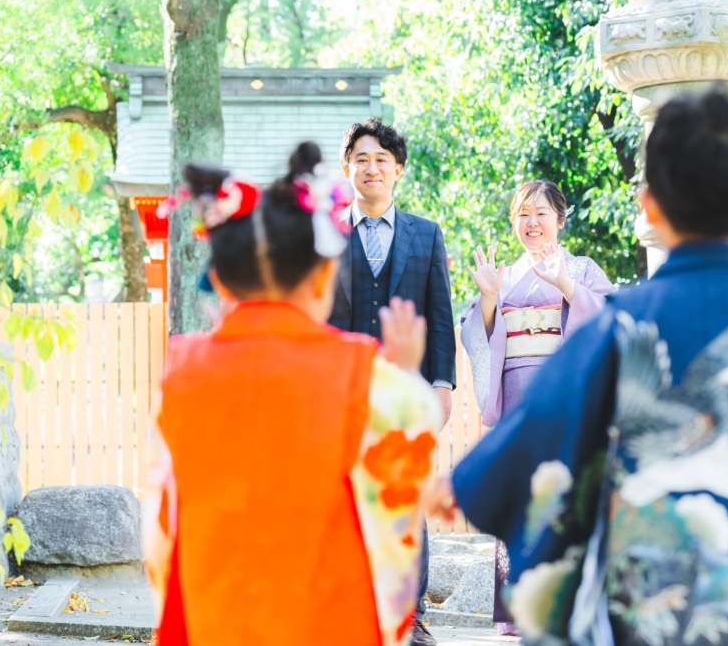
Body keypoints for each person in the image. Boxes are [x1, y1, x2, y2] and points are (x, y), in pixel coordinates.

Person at [429, 89, 728, 646]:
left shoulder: (615, 330)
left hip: (654, 620)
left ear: (648, 206)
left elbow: (511, 465)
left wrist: (462, 484)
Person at [142, 144, 443, 646]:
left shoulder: (181, 372)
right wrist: (409, 374)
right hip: (328, 617)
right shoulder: (367, 374)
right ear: (325, 275)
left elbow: (163, 522)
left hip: (217, 613)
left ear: (218, 278)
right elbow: (398, 500)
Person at [460, 180, 614, 634]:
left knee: (568, 491)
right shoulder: (503, 275)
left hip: (565, 393)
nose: (531, 223)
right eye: (523, 214)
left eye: (541, 213)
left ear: (560, 220)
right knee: (520, 496)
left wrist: (563, 282)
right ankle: (517, 611)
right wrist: (489, 299)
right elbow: (477, 335)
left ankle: (571, 605)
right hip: (516, 393)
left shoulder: (582, 268)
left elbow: (606, 320)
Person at [328, 119, 456, 645]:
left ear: (397, 169)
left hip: (405, 391)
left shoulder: (426, 234)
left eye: (382, 158)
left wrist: (443, 383)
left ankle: (410, 613)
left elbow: (441, 314)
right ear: (348, 168)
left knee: (404, 492)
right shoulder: (326, 233)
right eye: (362, 158)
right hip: (340, 389)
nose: (372, 167)